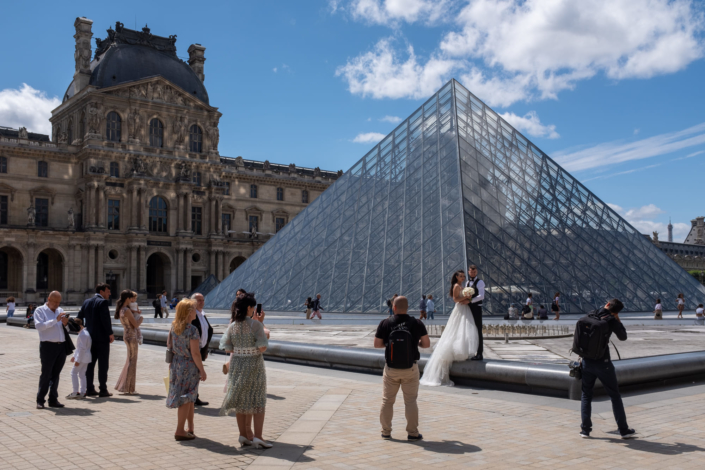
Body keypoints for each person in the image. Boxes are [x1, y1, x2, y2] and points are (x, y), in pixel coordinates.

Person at [220, 293, 272, 449]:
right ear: (249, 308)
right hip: (254, 365)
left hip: (237, 365)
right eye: (253, 307)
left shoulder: (233, 325)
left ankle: (243, 435)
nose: (254, 310)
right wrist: (261, 326)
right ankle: (258, 437)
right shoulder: (255, 325)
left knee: (241, 401)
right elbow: (262, 347)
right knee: (258, 400)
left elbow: (227, 347)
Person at [374, 296, 430, 440]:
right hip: (410, 368)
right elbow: (426, 344)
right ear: (408, 307)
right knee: (410, 401)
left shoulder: (385, 323)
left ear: (394, 307)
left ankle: (386, 431)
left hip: (391, 368)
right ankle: (412, 433)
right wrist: (414, 345)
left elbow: (377, 344)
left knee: (387, 400)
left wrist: (389, 344)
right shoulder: (416, 323)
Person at [579, 299, 636, 439]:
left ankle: (585, 430)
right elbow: (623, 337)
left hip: (586, 361)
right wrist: (617, 319)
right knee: (615, 396)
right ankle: (623, 430)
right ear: (616, 311)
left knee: (586, 395)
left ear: (607, 304)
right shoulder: (611, 320)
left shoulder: (591, 314)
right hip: (603, 363)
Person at [420, 271, 479, 386]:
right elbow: (455, 299)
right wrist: (466, 298)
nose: (463, 277)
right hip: (460, 308)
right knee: (458, 329)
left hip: (464, 308)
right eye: (461, 276)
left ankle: (463, 351)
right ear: (456, 277)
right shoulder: (456, 286)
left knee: (463, 330)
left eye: (463, 276)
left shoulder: (461, 285)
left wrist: (468, 299)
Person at [167, 299, 207, 441]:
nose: (196, 311)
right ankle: (179, 430)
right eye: (194, 309)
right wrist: (202, 370)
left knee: (190, 397)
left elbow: (169, 346)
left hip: (177, 363)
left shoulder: (173, 327)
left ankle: (189, 428)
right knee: (187, 397)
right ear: (188, 312)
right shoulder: (192, 330)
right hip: (189, 365)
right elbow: (196, 353)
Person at [78, 283, 114, 398]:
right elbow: (105, 320)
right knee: (103, 365)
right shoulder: (103, 302)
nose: (110, 294)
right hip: (102, 338)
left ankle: (89, 388)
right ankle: (103, 389)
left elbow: (79, 317)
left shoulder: (86, 301)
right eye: (108, 291)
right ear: (102, 291)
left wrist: (83, 329)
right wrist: (110, 333)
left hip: (89, 338)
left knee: (90, 364)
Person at [34, 291, 70, 409]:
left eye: (58, 302)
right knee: (46, 374)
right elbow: (39, 326)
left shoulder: (60, 310)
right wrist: (55, 320)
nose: (56, 304)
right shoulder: (40, 310)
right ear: (49, 299)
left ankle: (53, 399)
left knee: (56, 374)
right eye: (54, 302)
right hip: (48, 346)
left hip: (61, 346)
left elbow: (64, 329)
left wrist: (65, 323)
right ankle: (40, 400)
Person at [114, 290, 143, 395]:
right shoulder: (127, 310)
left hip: (126, 335)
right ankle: (129, 387)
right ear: (127, 299)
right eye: (131, 298)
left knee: (129, 360)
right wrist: (141, 319)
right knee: (132, 361)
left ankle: (124, 386)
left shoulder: (122, 309)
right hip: (132, 336)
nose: (133, 300)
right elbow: (135, 324)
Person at [191, 293, 214, 406]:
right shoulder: (191, 315)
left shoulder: (202, 314)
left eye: (203, 300)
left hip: (200, 349)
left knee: (196, 375)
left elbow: (208, 330)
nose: (201, 302)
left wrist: (205, 350)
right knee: (193, 374)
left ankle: (194, 396)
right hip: (192, 351)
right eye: (198, 300)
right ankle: (191, 398)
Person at [66, 318, 91, 399]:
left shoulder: (83, 334)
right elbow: (79, 348)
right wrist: (74, 356)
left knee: (73, 373)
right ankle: (83, 392)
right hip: (86, 357)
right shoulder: (84, 332)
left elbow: (82, 349)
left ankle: (75, 392)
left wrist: (78, 360)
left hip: (82, 357)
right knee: (82, 374)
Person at [466, 265, 485, 360]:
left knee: (478, 330)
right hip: (469, 309)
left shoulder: (480, 282)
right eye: (471, 271)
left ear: (476, 272)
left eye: (474, 272)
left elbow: (481, 296)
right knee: (470, 331)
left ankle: (480, 353)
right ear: (469, 272)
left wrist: (470, 300)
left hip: (477, 308)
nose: (472, 273)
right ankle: (472, 351)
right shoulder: (467, 282)